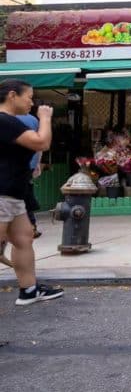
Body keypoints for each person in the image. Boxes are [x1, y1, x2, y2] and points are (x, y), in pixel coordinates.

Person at [0, 79, 63, 305]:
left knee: (24, 237)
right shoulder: (5, 121)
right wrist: (45, 118)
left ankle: (29, 290)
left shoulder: (10, 121)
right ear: (12, 96)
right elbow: (41, 143)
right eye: (29, 96)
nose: (32, 102)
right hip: (3, 193)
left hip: (14, 193)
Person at [17, 112, 43, 237]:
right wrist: (37, 163)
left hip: (13, 167)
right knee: (25, 194)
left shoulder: (7, 117)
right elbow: (41, 144)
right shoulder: (33, 119)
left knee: (20, 196)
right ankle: (31, 226)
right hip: (29, 164)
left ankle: (29, 226)